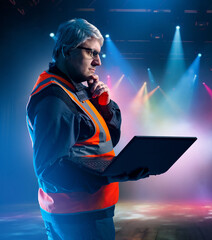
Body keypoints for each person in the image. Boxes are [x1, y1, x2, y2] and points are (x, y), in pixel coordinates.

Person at [26, 18, 148, 239]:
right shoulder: (55, 99)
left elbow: (106, 138)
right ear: (66, 51)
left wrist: (104, 105)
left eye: (99, 54)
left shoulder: (73, 89)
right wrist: (108, 174)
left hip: (87, 213)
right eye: (91, 53)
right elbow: (49, 169)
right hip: (79, 217)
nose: (98, 62)